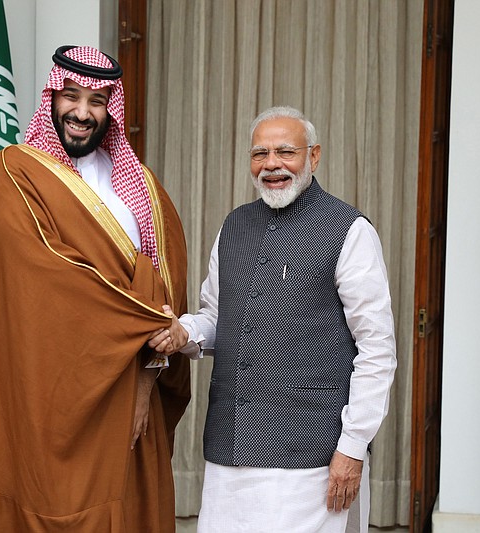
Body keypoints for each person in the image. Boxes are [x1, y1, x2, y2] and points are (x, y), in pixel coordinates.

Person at [0, 46, 190, 532]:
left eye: (97, 100)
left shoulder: (139, 185)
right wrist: (146, 320)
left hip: (127, 384)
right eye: (72, 97)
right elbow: (46, 279)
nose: (82, 112)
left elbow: (167, 282)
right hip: (42, 388)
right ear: (51, 97)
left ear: (111, 109)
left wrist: (148, 375)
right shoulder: (10, 173)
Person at [150, 106, 397, 533]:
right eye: (259, 153)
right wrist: (183, 332)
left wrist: (353, 447)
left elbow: (376, 348)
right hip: (228, 454)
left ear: (314, 157)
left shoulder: (349, 230)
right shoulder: (234, 226)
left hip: (309, 457)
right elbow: (216, 317)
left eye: (286, 151)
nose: (272, 164)